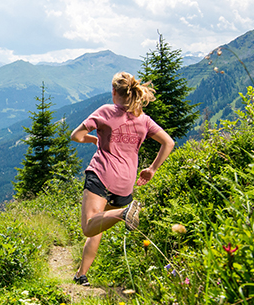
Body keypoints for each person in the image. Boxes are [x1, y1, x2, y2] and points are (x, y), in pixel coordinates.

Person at [69, 72, 175, 286]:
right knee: (98, 225)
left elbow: (75, 136)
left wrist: (94, 139)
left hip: (102, 175)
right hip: (125, 184)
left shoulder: (106, 111)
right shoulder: (144, 120)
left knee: (89, 226)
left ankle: (124, 213)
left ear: (114, 92)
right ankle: (81, 274)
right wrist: (152, 169)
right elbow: (168, 143)